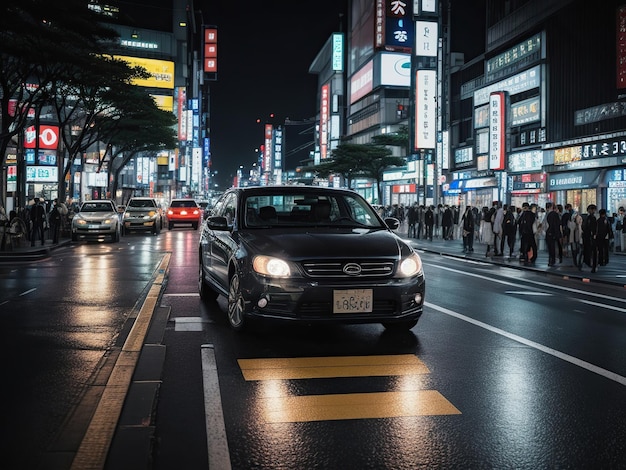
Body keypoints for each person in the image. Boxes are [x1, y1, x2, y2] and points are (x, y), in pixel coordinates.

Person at [581, 204, 598, 272]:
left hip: (586, 237)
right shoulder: (592, 218)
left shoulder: (586, 218)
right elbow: (593, 228)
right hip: (590, 237)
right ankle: (591, 265)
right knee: (591, 251)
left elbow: (584, 227)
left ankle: (587, 263)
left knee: (587, 251)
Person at [544, 202, 561, 266]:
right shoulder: (554, 214)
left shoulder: (548, 214)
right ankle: (552, 260)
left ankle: (551, 259)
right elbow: (557, 224)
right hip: (552, 233)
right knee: (552, 247)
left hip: (549, 232)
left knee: (550, 247)